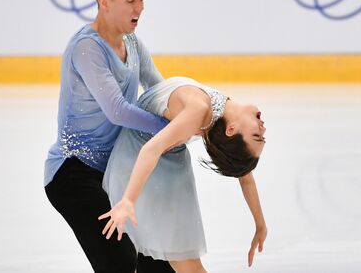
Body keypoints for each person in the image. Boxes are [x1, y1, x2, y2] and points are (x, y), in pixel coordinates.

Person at [44, 0, 175, 273]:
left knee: (158, 259)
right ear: (104, 2)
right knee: (120, 263)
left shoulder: (132, 42)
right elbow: (117, 111)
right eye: (131, 0)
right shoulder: (87, 48)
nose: (140, 7)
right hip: (74, 175)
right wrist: (169, 129)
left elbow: (159, 90)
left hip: (115, 173)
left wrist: (191, 113)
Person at [100, 76, 268, 273]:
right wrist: (128, 200)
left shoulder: (205, 111)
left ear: (231, 130)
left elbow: (244, 173)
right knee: (186, 263)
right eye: (260, 136)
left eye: (257, 135)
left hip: (158, 162)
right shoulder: (210, 111)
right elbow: (150, 150)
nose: (262, 128)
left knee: (187, 263)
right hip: (142, 161)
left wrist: (260, 224)